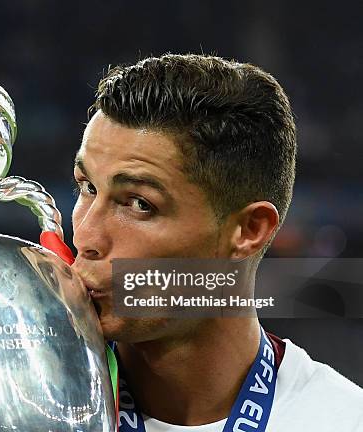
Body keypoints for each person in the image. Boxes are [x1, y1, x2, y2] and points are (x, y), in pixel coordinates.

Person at [69, 54, 363, 431]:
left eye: (140, 204)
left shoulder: (342, 421)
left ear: (249, 230)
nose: (86, 235)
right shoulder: (16, 403)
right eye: (87, 187)